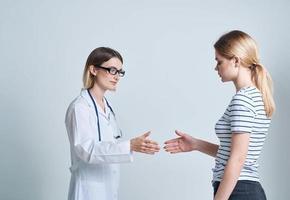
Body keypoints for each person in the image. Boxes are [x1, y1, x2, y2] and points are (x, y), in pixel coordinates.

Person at [164, 30, 275, 200]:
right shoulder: (254, 96)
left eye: (219, 61)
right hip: (243, 189)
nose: (216, 67)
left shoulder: (243, 100)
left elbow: (238, 159)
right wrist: (196, 144)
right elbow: (235, 153)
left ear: (236, 61)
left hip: (239, 190)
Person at [65, 47, 160, 200]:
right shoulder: (80, 107)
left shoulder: (106, 107)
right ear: (94, 70)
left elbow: (107, 146)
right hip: (87, 190)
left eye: (120, 72)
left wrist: (134, 145)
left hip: (108, 188)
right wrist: (129, 145)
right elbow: (86, 150)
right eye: (112, 70)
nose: (117, 77)